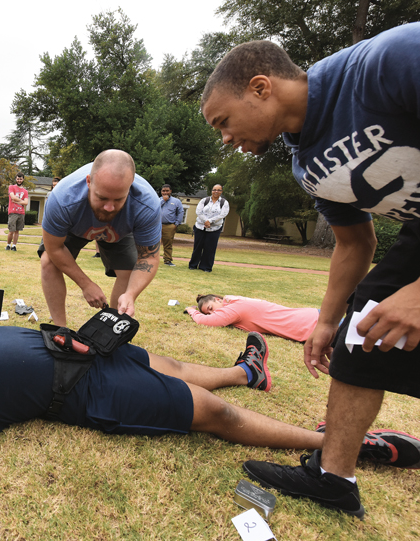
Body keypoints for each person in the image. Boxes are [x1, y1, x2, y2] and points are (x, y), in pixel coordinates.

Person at [0, 326, 420, 540]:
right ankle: (343, 446)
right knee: (211, 414)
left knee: (170, 363)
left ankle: (246, 370)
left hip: (91, 349)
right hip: (92, 393)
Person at [201, 24, 420, 517]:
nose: (226, 137)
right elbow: (354, 241)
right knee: (359, 336)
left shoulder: (387, 62)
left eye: (223, 122)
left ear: (261, 87)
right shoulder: (306, 164)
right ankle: (333, 479)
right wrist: (326, 321)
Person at [39, 149, 161, 327]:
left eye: (119, 199)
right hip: (76, 226)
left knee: (128, 271)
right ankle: (60, 329)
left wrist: (131, 294)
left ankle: (112, 328)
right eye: (101, 198)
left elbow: (149, 257)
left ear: (131, 185)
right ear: (89, 182)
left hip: (121, 230)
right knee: (48, 261)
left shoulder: (147, 205)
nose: (109, 207)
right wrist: (86, 284)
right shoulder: (62, 199)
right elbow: (54, 248)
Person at [186, 294, 320, 342]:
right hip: (312, 318)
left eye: (210, 308)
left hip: (312, 324)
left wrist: (191, 310)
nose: (212, 314)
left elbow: (205, 321)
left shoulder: (233, 309)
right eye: (208, 313)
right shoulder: (236, 302)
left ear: (217, 299)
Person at [188, 185, 229, 273]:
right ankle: (193, 264)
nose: (216, 191)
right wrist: (205, 221)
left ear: (221, 191)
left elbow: (222, 214)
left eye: (218, 190)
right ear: (211, 191)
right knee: (198, 246)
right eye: (214, 190)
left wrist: (210, 221)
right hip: (200, 227)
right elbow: (198, 212)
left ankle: (206, 266)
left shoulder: (224, 202)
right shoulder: (204, 200)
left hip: (215, 228)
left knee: (210, 248)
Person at [159, 184, 183, 266]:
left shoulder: (176, 201)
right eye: (163, 191)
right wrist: (163, 201)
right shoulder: (157, 200)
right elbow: (154, 209)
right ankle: (150, 259)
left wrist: (176, 224)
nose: (165, 192)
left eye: (167, 191)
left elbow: (180, 213)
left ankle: (167, 260)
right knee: (152, 243)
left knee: (168, 244)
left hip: (169, 225)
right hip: (156, 225)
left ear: (170, 191)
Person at [6, 172, 29, 251]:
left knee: (17, 231)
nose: (19, 180)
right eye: (18, 179)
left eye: (21, 179)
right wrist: (21, 201)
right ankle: (8, 245)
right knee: (11, 230)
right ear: (16, 179)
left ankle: (14, 246)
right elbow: (12, 197)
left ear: (23, 180)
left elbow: (26, 203)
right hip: (12, 212)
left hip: (21, 213)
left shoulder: (25, 191)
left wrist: (17, 201)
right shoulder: (11, 187)